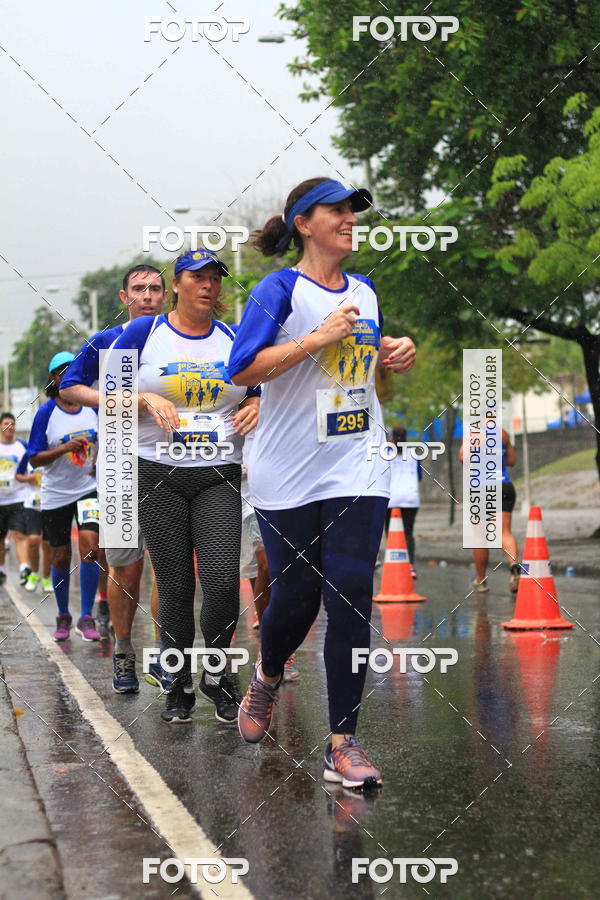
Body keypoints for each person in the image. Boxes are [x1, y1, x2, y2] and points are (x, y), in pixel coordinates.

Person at [228, 177, 416, 789]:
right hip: (288, 468)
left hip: (356, 459)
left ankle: (342, 741)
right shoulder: (277, 288)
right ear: (304, 223)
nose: (349, 220)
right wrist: (315, 338)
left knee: (353, 589)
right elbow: (243, 367)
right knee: (298, 597)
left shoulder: (365, 290)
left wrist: (389, 348)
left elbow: (355, 365)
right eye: (336, 211)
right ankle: (270, 672)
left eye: (352, 212)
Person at [112, 249, 260, 723]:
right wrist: (144, 396)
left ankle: (216, 673)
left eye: (215, 277)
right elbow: (109, 397)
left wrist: (258, 404)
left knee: (220, 581)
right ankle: (176, 679)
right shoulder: (144, 332)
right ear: (176, 284)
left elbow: (261, 385)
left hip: (218, 472)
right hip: (158, 472)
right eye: (197, 277)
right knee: (174, 586)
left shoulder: (235, 338)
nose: (208, 285)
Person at [60, 264, 167, 692]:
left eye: (155, 289)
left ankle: (165, 655)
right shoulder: (105, 343)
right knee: (127, 568)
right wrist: (114, 399)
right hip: (121, 470)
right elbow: (68, 385)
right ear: (124, 298)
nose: (147, 296)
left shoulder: (176, 340)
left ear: (166, 295)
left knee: (169, 569)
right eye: (138, 289)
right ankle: (123, 650)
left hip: (172, 467)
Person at [28, 352, 101, 641]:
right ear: (54, 379)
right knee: (60, 556)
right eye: (62, 371)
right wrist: (65, 448)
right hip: (56, 494)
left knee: (91, 548)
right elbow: (34, 459)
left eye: (74, 369)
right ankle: (63, 615)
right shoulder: (46, 413)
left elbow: (108, 441)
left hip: (87, 489)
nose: (68, 374)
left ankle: (86, 616)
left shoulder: (92, 407)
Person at [459, 427, 520, 593]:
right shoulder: (504, 433)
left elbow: (464, 458)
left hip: (481, 487)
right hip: (504, 485)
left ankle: (481, 580)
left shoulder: (473, 433)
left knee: (480, 536)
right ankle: (514, 565)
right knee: (504, 532)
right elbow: (512, 460)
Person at [385, 426, 422, 577]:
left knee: (391, 534)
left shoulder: (385, 452)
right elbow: (419, 476)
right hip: (410, 499)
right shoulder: (413, 453)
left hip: (391, 499)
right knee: (408, 533)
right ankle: (410, 567)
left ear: (392, 437)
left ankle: (395, 566)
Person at [14, 456, 52, 592]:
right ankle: (35, 574)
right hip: (32, 504)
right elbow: (17, 475)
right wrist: (28, 479)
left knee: (48, 544)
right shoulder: (28, 455)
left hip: (51, 504)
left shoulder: (54, 450)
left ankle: (47, 577)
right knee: (33, 539)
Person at [0, 412, 29, 586]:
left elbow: (31, 470)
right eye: (5, 423)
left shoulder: (22, 447)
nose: (9, 427)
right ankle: (1, 569)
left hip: (18, 497)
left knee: (19, 534)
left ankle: (24, 567)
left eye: (12, 424)